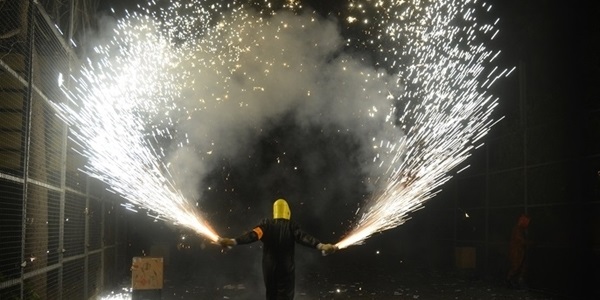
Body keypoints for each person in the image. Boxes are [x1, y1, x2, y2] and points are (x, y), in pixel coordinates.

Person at [218, 198, 337, 300]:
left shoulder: (266, 225)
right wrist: (321, 245)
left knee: (271, 295)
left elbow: (253, 235)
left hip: (269, 268)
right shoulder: (291, 226)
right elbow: (304, 237)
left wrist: (234, 241)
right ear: (287, 211)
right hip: (286, 269)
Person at [506, 213, 531, 289]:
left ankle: (514, 281)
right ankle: (510, 281)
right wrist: (528, 243)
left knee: (520, 267)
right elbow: (520, 240)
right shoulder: (518, 229)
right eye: (526, 221)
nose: (527, 223)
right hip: (517, 251)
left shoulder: (521, 229)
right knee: (516, 266)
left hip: (520, 251)